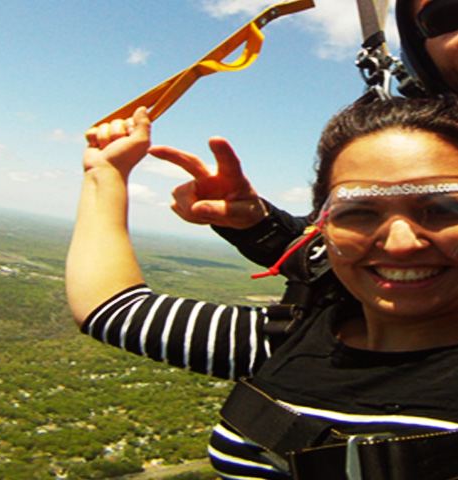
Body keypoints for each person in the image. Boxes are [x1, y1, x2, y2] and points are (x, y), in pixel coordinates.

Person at [66, 95, 458, 479]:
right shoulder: (290, 339)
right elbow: (113, 310)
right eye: (358, 211)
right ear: (321, 227)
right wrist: (105, 173)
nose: (400, 243)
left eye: (445, 207)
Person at [175, 0, 458, 271]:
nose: (402, 244)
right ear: (419, 49)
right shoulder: (415, 151)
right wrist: (257, 223)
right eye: (448, 14)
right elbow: (342, 262)